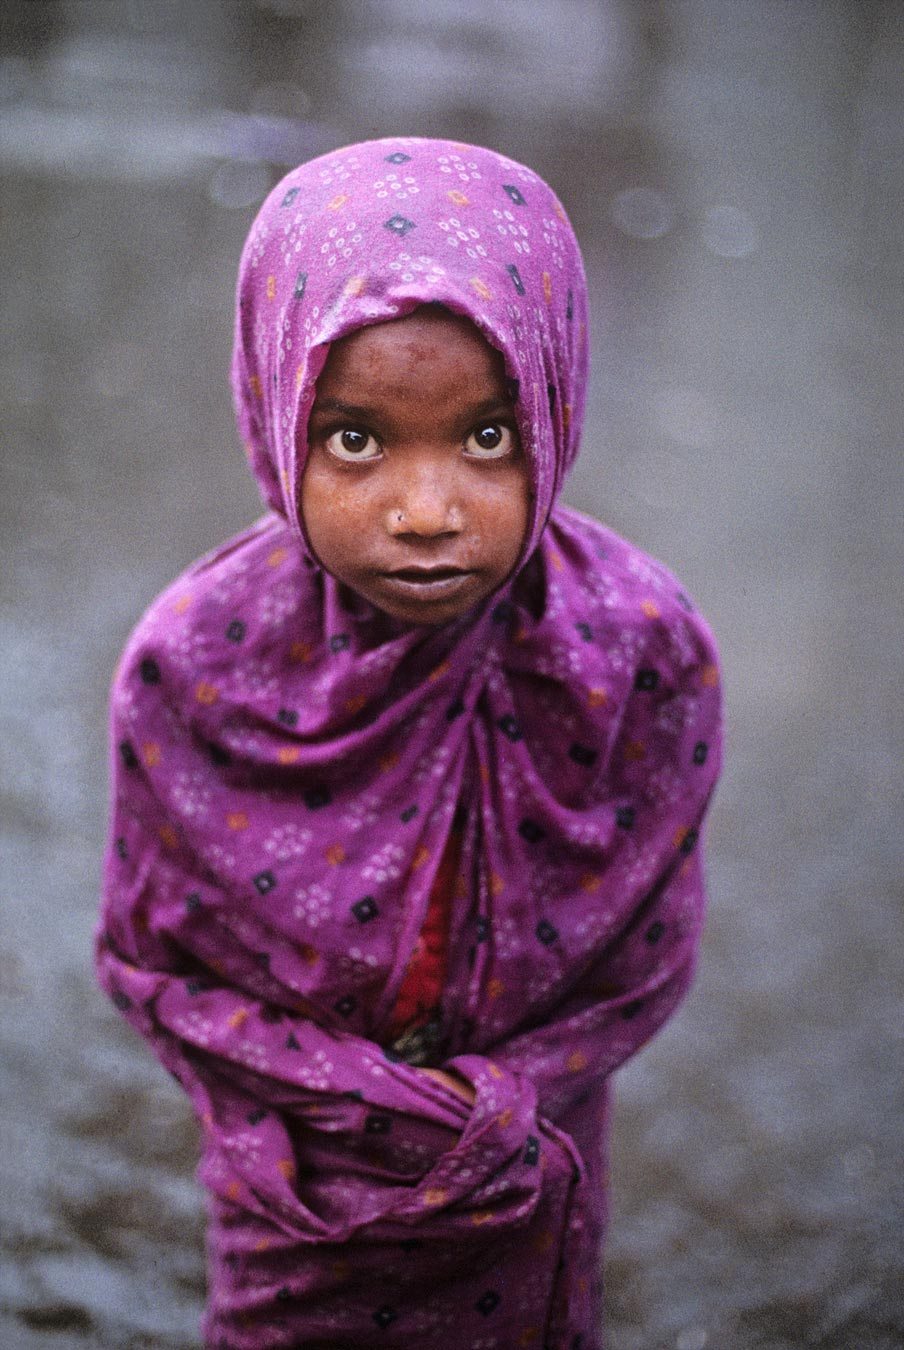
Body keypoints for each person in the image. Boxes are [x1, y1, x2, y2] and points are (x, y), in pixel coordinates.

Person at [96, 137, 722, 1350]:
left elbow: (645, 956)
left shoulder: (639, 649)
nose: (427, 510)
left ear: (552, 398)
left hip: (524, 1178)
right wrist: (370, 1111)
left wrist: (498, 1117)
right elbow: (156, 966)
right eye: (355, 440)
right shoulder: (198, 664)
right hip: (294, 1181)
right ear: (277, 412)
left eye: (486, 437)